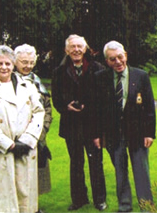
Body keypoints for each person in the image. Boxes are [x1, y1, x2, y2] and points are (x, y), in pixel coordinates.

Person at [93, 40, 156, 212]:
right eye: (112, 59)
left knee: (141, 172)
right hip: (114, 134)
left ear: (126, 55)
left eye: (120, 57)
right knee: (120, 172)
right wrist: (97, 135)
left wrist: (149, 133)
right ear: (107, 61)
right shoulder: (101, 78)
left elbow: (149, 106)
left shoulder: (141, 76)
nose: (118, 62)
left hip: (138, 133)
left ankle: (147, 207)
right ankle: (125, 205)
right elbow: (97, 109)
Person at [0, 45, 45, 213]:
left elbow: (38, 112)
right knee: (1, 199)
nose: (4, 67)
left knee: (25, 196)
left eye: (7, 63)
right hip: (0, 152)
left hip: (25, 149)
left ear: (13, 65)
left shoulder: (28, 86)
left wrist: (27, 140)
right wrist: (8, 144)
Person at [51, 34, 107, 211]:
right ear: (66, 50)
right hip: (71, 125)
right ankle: (79, 199)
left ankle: (100, 199)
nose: (76, 50)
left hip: (93, 125)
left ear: (85, 49)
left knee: (96, 164)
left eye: (79, 46)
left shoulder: (98, 68)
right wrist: (66, 107)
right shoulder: (58, 72)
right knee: (76, 164)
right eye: (72, 47)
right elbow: (55, 98)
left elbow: (103, 99)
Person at [14, 44, 53, 208]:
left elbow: (47, 109)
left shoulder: (36, 81)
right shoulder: (9, 80)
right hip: (16, 137)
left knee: (36, 175)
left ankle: (34, 207)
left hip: (37, 136)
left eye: (31, 62)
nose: (28, 66)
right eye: (24, 62)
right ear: (15, 61)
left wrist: (40, 133)